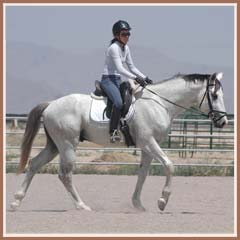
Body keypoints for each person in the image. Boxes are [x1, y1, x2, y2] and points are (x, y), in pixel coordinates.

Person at [100, 20, 153, 143]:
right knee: (118, 103)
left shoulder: (126, 48)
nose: (127, 37)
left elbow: (132, 67)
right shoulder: (114, 48)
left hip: (118, 80)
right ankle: (113, 131)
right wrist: (135, 78)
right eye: (124, 34)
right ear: (116, 35)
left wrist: (145, 77)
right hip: (108, 79)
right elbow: (119, 68)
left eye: (128, 34)